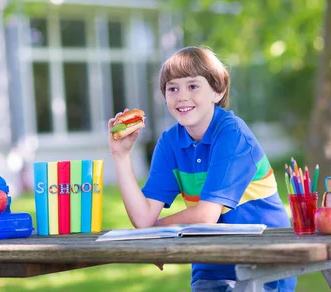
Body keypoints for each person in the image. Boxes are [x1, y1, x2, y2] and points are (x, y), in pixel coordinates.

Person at [108, 46, 296, 292]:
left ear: (217, 91)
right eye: (172, 88)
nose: (181, 96)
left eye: (193, 86)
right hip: (211, 265)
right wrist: (120, 156)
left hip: (264, 261)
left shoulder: (232, 133)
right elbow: (143, 218)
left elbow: (206, 215)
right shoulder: (169, 144)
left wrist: (153, 231)